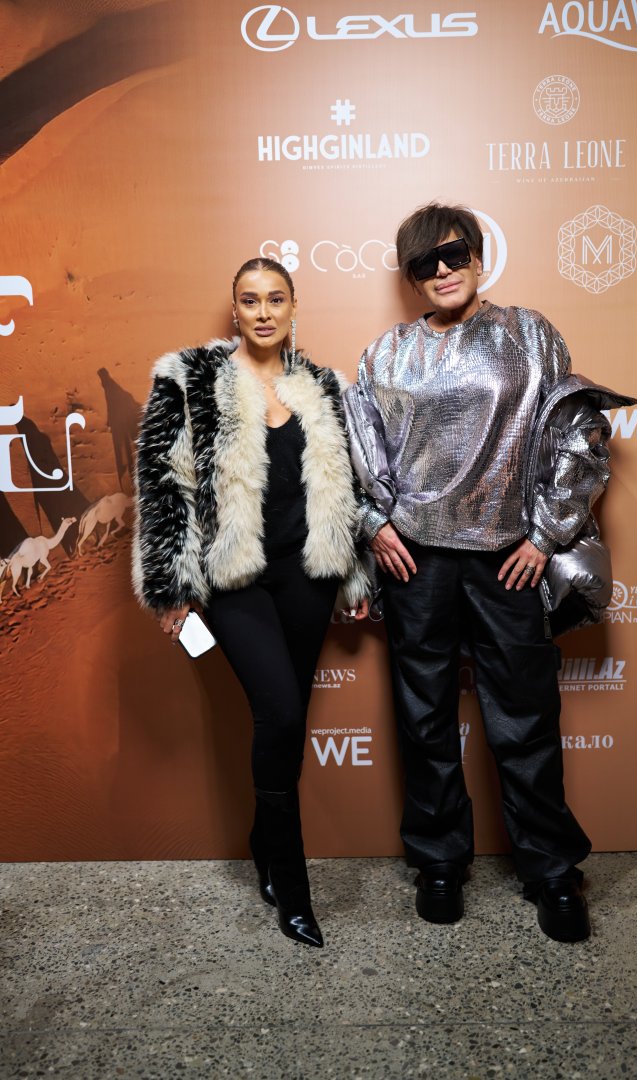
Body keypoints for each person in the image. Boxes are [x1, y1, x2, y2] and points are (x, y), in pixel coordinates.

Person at [344, 203, 635, 942]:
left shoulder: (529, 334)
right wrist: (375, 525)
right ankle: (438, 863)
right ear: (410, 277)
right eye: (425, 262)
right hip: (416, 562)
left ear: (477, 257)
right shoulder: (385, 354)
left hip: (508, 559)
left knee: (526, 718)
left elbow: (577, 431)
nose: (442, 270)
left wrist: (546, 533)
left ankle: (552, 871)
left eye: (454, 254)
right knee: (424, 720)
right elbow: (356, 449)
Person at [133, 257, 370, 948]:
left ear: (294, 307)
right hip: (234, 579)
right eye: (250, 300)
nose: (263, 312)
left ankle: (264, 845)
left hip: (308, 576)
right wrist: (172, 587)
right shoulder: (189, 379)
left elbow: (347, 487)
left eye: (275, 299)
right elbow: (163, 485)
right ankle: (293, 888)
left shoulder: (323, 386)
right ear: (234, 310)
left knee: (287, 727)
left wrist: (354, 575)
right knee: (281, 713)